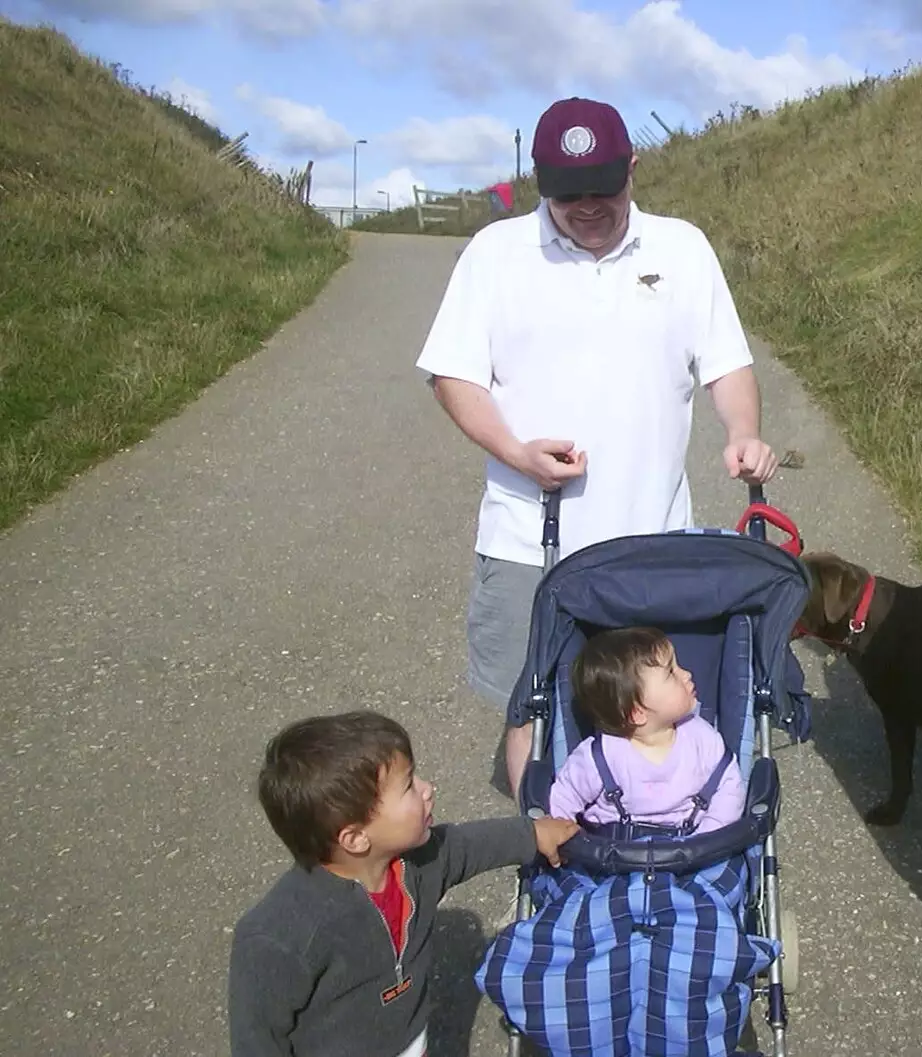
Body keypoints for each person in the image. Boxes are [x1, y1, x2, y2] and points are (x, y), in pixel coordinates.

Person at [414, 96, 778, 803]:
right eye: (566, 192)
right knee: (532, 708)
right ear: (538, 180)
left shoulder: (683, 248)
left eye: (602, 188)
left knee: (657, 715)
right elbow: (453, 377)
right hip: (530, 539)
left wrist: (741, 431)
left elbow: (728, 366)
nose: (586, 206)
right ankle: (547, 857)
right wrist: (516, 452)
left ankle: (660, 843)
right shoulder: (495, 255)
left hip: (655, 545)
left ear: (632, 169)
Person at [227, 710, 580, 1057]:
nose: (428, 789)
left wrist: (532, 833)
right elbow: (257, 1038)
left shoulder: (418, 864)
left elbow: (468, 846)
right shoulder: (280, 936)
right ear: (355, 838)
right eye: (409, 785)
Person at [548, 626, 744, 835]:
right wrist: (563, 833)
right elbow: (564, 796)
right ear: (637, 713)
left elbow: (730, 787)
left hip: (692, 850)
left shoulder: (702, 739)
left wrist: (709, 835)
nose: (686, 674)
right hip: (614, 855)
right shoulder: (600, 756)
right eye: (671, 672)